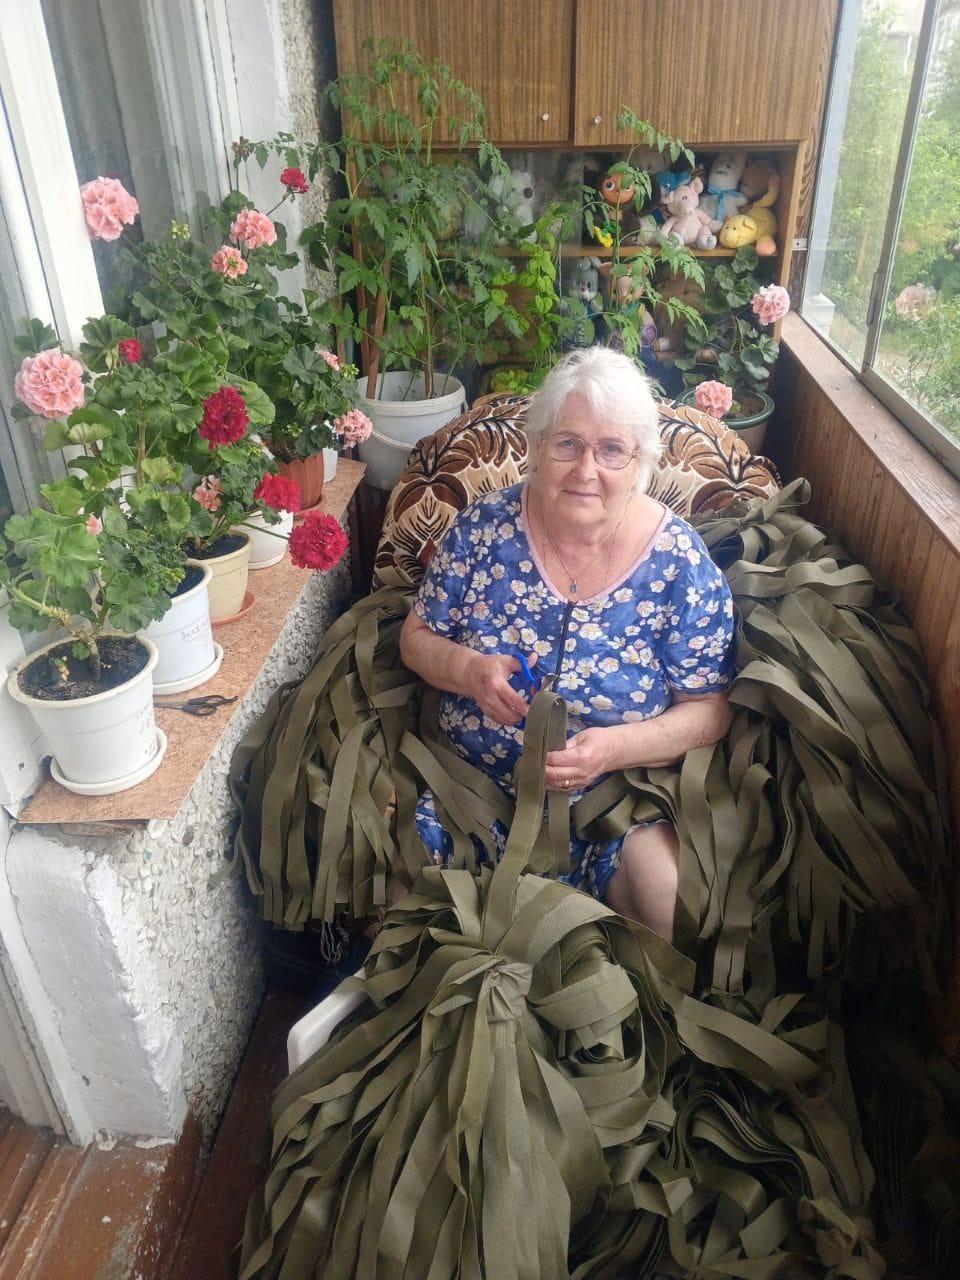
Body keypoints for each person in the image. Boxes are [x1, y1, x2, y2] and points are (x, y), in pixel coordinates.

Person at [399, 347, 735, 939]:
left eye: (611, 450)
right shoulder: (482, 529)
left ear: (640, 462)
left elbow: (709, 709)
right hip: (473, 789)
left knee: (669, 902)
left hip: (614, 799)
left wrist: (613, 749)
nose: (586, 470)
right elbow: (416, 638)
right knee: (402, 889)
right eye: (568, 444)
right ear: (536, 448)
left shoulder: (679, 562)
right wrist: (471, 671)